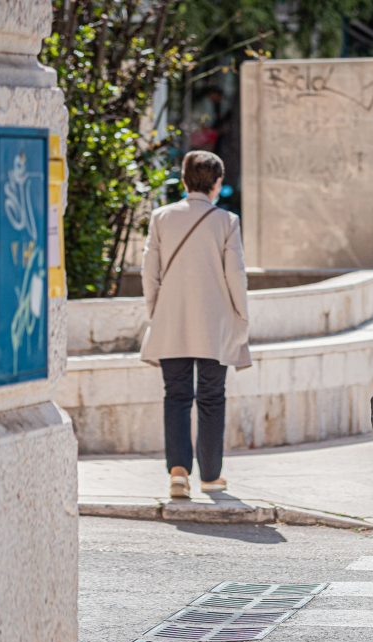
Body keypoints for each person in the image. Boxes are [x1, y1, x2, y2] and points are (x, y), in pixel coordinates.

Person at [140, 150, 250, 499]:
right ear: (217, 183)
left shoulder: (160, 217)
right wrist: (242, 318)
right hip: (214, 323)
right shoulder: (226, 222)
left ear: (184, 180)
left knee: (175, 395)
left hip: (170, 319)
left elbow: (149, 273)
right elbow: (236, 276)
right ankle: (211, 476)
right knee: (211, 397)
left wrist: (156, 310)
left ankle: (177, 472)